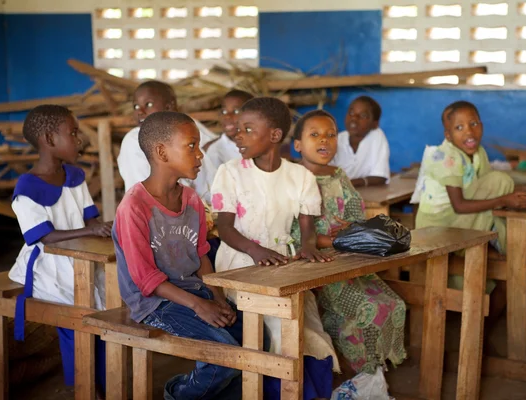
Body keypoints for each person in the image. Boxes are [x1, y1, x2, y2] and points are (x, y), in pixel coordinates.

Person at [211, 97, 338, 399]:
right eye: (238, 129)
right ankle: (280, 390)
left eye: (248, 129)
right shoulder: (230, 172)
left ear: (274, 136)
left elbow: (308, 230)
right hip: (239, 266)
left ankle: (306, 391)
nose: (238, 135)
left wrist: (307, 249)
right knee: (281, 329)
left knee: (309, 330)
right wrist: (256, 252)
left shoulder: (300, 177)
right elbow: (225, 228)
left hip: (282, 266)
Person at [113, 111, 244, 399]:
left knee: (254, 340)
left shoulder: (192, 200)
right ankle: (178, 393)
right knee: (225, 355)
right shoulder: (134, 208)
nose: (200, 155)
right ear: (161, 151)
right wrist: (200, 305)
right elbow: (147, 279)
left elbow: (201, 258)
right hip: (155, 303)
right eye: (191, 146)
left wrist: (218, 299)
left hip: (195, 293)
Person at [291, 110, 407, 374]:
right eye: (315, 135)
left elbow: (355, 211)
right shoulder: (293, 178)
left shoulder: (339, 175)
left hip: (349, 257)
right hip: (318, 263)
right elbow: (290, 229)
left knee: (394, 304)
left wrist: (351, 228)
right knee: (369, 309)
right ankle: (363, 371)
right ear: (298, 145)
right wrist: (325, 239)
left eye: (331, 135)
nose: (324, 140)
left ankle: (375, 369)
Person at [8, 104, 111, 389]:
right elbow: (44, 237)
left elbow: (92, 218)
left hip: (79, 259)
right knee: (76, 321)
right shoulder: (26, 189)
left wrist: (104, 227)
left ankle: (101, 384)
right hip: (47, 265)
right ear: (50, 139)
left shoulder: (75, 177)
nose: (79, 140)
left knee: (104, 314)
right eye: (73, 133)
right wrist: (91, 230)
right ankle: (83, 388)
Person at [414, 100, 526, 293]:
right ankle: (513, 256)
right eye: (459, 127)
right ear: (448, 135)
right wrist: (505, 200)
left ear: (482, 125)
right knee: (500, 182)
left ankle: (512, 258)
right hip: (437, 225)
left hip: (462, 219)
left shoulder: (479, 153)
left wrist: (522, 201)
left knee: (502, 192)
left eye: (473, 124)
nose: (468, 132)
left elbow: (488, 193)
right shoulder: (446, 156)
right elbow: (459, 205)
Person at [117, 80, 217, 203]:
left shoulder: (188, 127)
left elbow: (212, 173)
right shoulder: (134, 140)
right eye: (136, 106)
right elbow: (150, 192)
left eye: (148, 104)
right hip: (156, 213)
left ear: (169, 107)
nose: (140, 111)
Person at [331, 96, 390, 187]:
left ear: (375, 124)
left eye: (363, 115)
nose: (354, 118)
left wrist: (349, 183)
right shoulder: (336, 140)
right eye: (351, 113)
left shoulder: (376, 136)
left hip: (363, 192)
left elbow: (380, 176)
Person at [204, 89, 254, 167]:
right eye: (224, 111)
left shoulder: (262, 143)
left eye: (236, 111)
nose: (227, 116)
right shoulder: (216, 151)